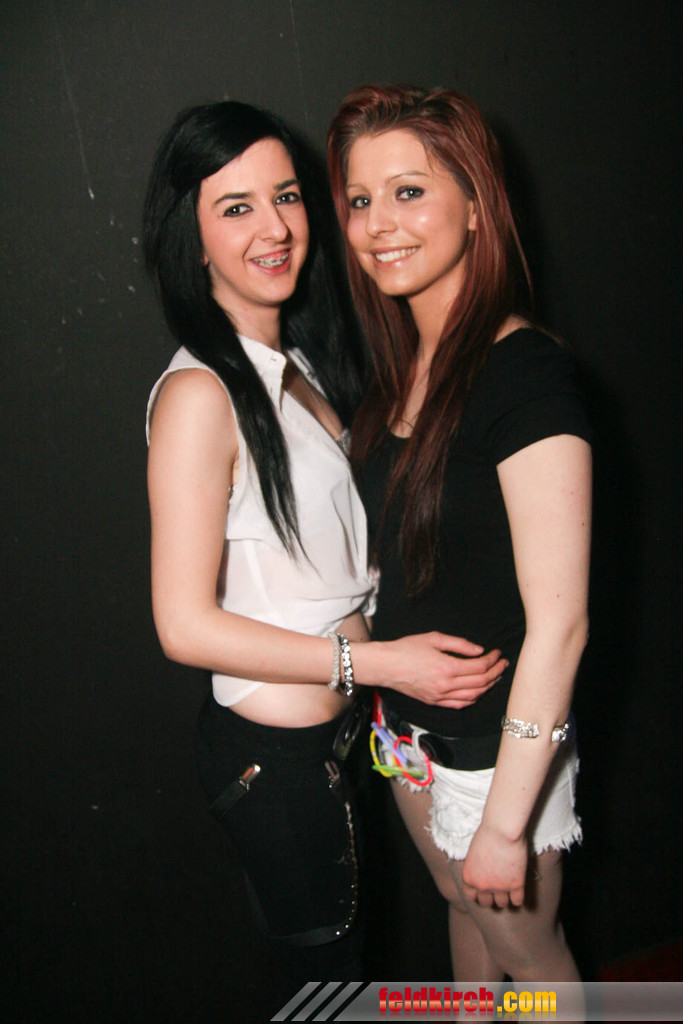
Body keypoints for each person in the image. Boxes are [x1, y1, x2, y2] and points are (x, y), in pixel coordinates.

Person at [142, 100, 506, 986]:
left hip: (337, 742)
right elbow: (183, 627)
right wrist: (379, 666)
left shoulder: (295, 366)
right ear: (192, 238)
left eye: (287, 196)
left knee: (361, 967)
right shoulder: (199, 396)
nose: (273, 229)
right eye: (235, 208)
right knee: (328, 992)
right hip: (276, 765)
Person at [327, 85, 592, 983]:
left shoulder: (524, 374)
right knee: (458, 913)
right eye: (359, 199)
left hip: (495, 758)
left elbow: (561, 626)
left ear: (476, 208)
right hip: (407, 740)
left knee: (537, 969)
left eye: (408, 192)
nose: (377, 224)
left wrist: (507, 825)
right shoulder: (401, 371)